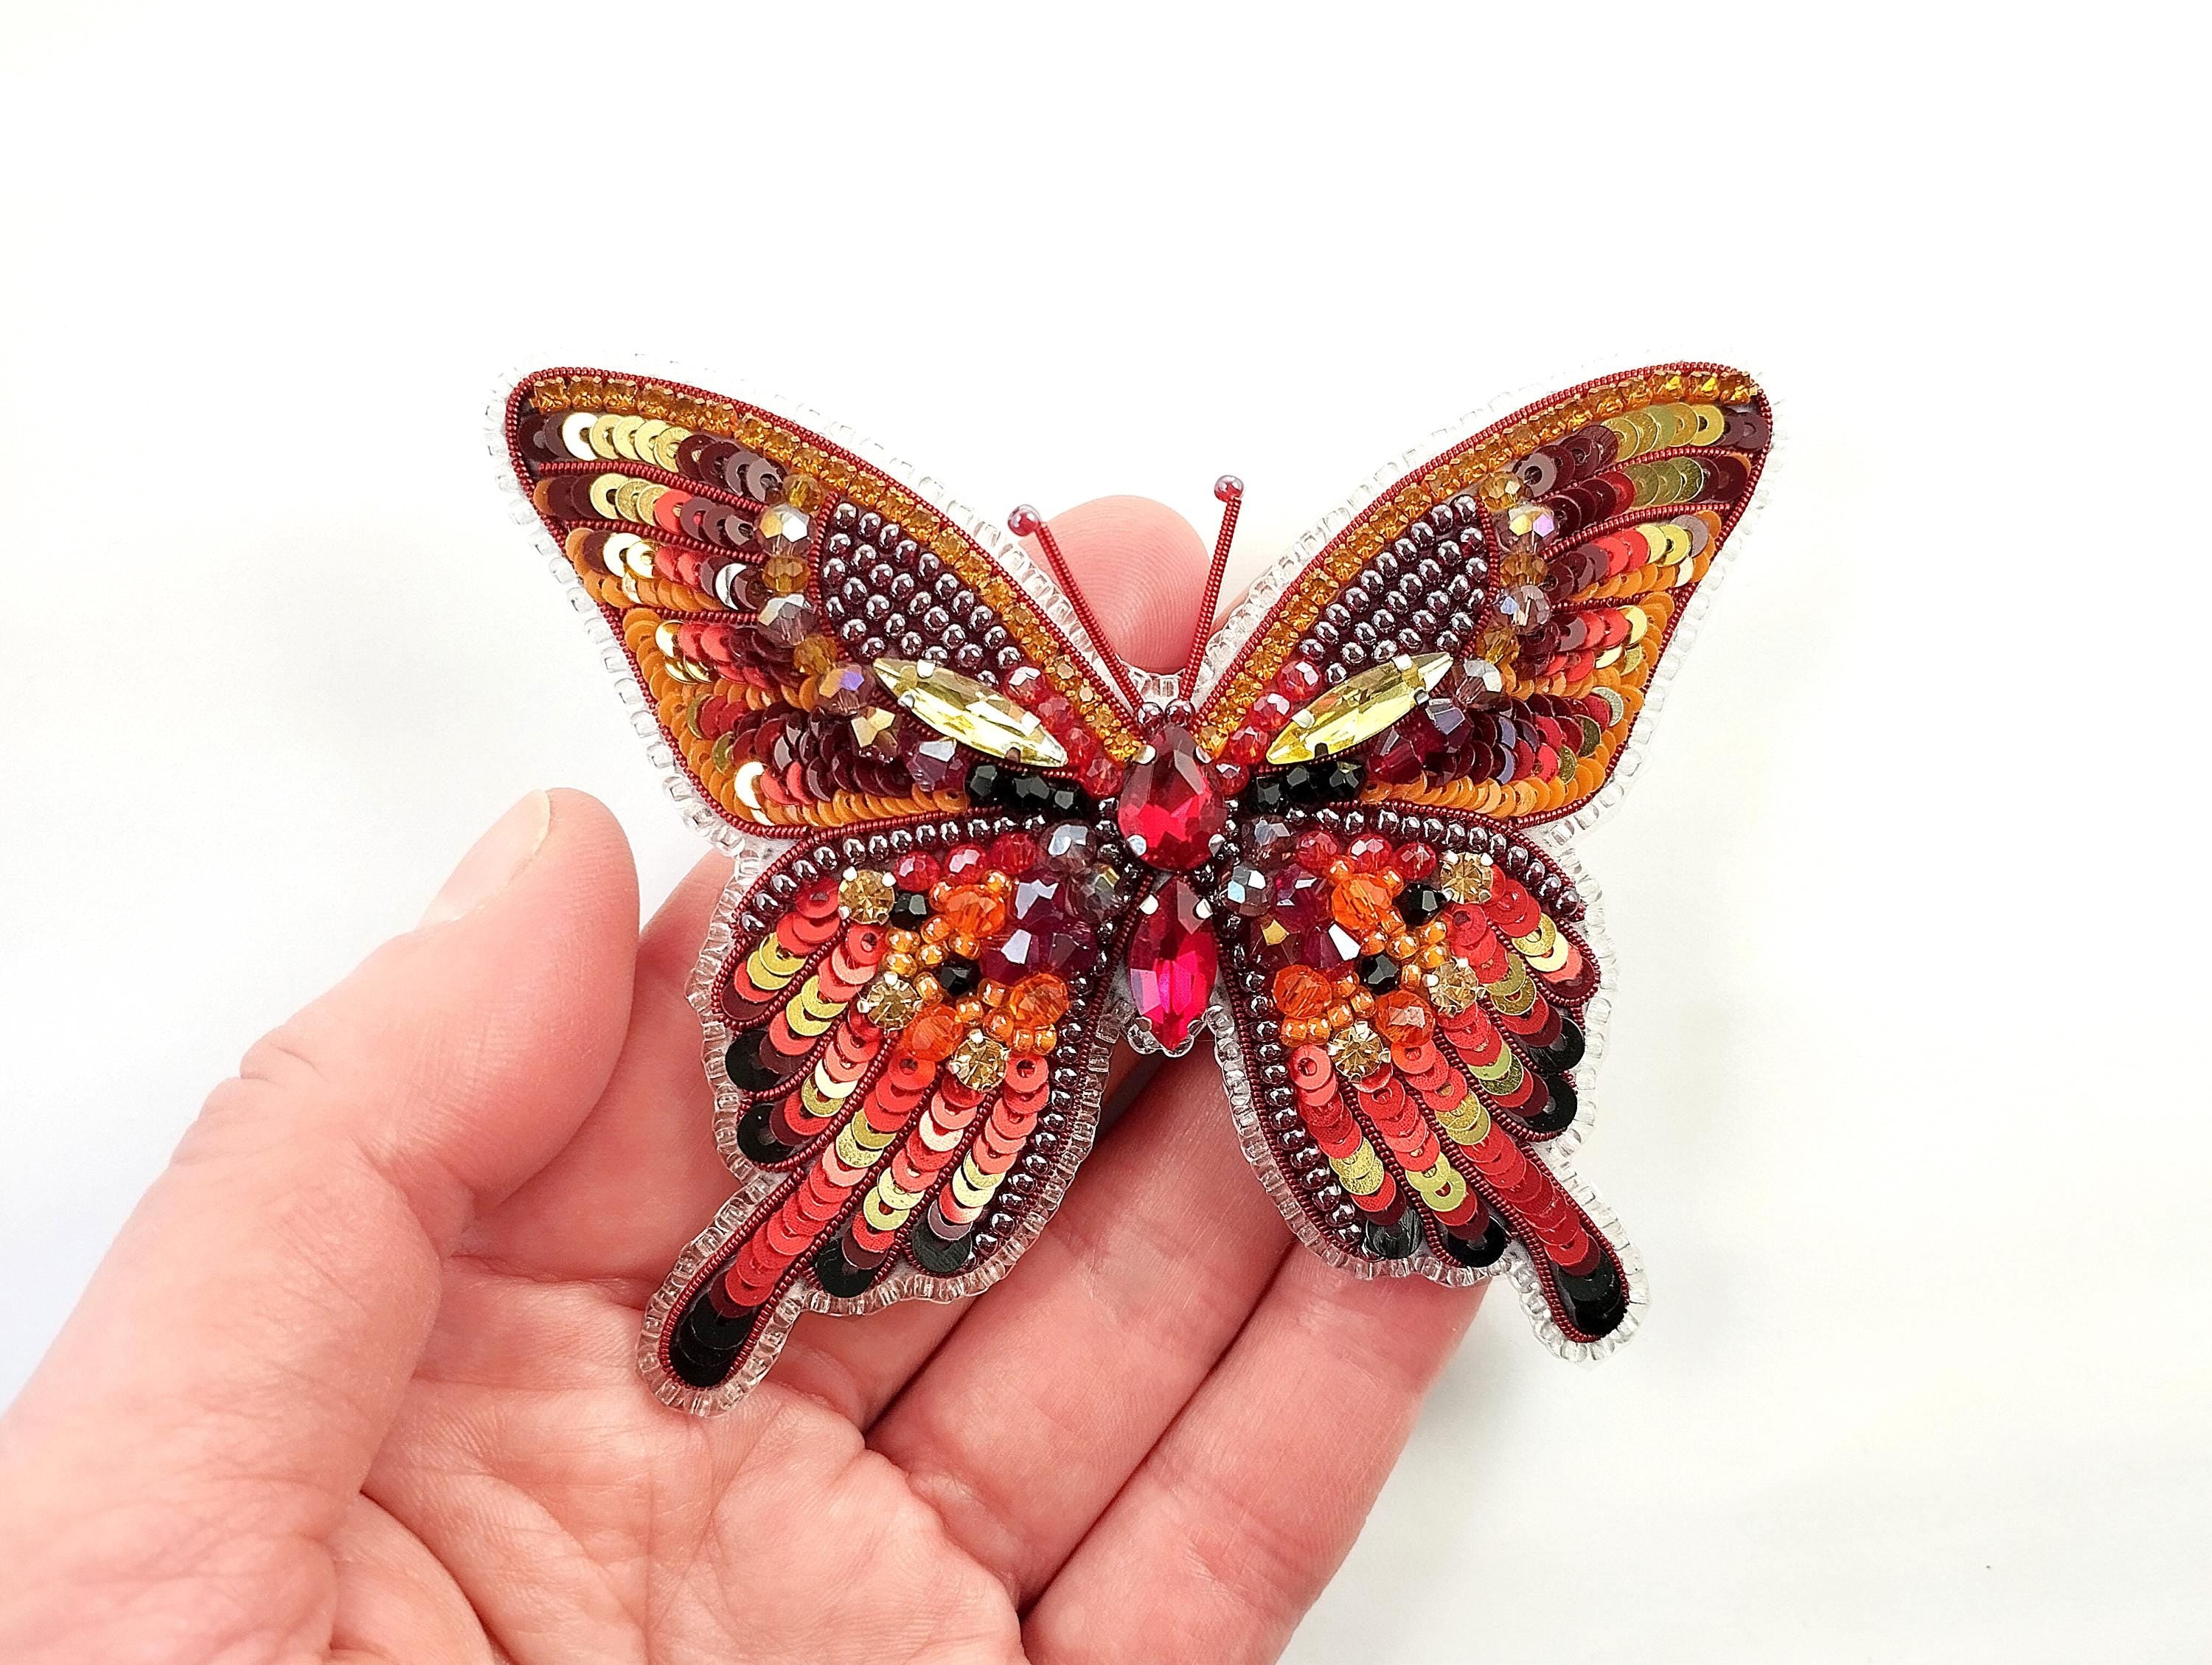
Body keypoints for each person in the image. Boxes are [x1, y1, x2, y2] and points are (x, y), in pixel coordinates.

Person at [0, 501, 1482, 1664]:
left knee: (833, 1195)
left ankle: (769, 1261)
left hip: (1021, 938)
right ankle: (774, 1258)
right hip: (1225, 928)